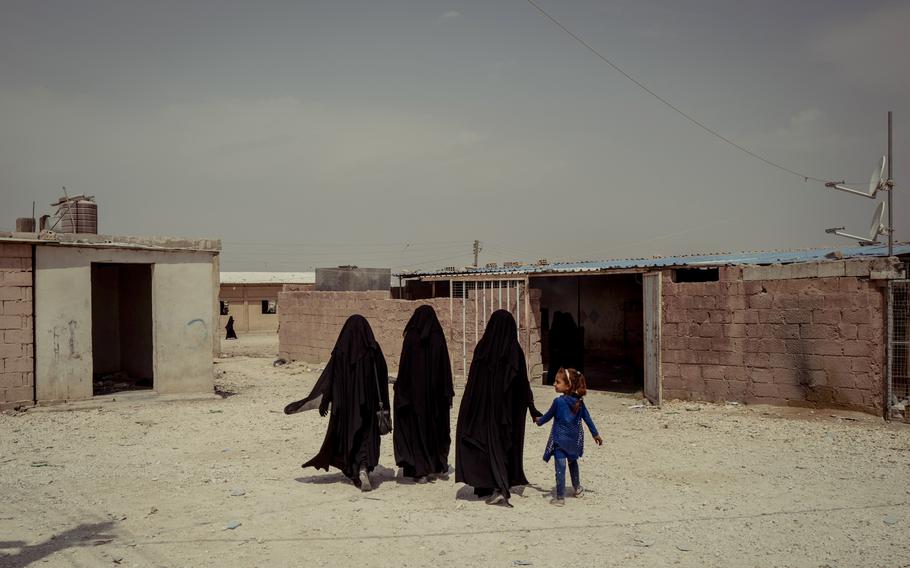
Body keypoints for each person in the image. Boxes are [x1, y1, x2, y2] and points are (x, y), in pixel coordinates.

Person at [283, 315, 390, 491]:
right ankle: (364, 467)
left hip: (347, 408)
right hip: (369, 407)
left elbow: (329, 378)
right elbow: (382, 376)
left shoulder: (341, 350)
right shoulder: (373, 349)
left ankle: (355, 470)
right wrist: (384, 405)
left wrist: (325, 401)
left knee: (351, 436)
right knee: (366, 437)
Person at [455, 309, 542, 507]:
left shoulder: (483, 348)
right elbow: (523, 384)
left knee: (486, 446)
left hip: (483, 412)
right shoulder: (514, 351)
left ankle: (500, 489)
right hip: (506, 414)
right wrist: (531, 408)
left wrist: (468, 410)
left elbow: (472, 385)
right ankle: (489, 485)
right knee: (500, 448)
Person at [393, 305, 454, 482]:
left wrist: (401, 392)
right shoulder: (438, 337)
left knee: (416, 431)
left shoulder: (411, 337)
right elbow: (445, 370)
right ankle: (435, 465)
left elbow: (404, 368)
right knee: (435, 430)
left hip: (414, 398)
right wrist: (445, 394)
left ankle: (419, 471)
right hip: (435, 399)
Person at [533, 367, 602, 506]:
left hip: (559, 439)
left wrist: (538, 420)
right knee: (572, 462)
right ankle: (577, 488)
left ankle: (559, 498)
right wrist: (595, 434)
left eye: (557, 382)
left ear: (568, 385)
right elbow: (587, 419)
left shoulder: (558, 402)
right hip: (573, 441)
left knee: (560, 466)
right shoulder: (579, 403)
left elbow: (546, 417)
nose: (554, 384)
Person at [546, 312, 582, 385]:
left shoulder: (556, 328)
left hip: (560, 352)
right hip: (565, 352)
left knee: (555, 367)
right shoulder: (571, 328)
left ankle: (555, 381)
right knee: (564, 367)